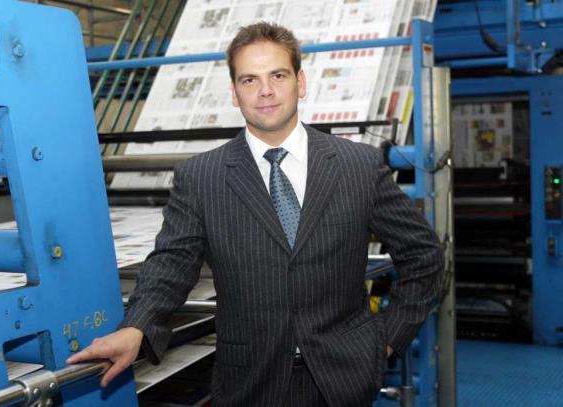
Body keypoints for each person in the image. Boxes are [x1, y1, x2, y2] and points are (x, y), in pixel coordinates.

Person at [68, 22, 444, 407]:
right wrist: (136, 326)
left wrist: (384, 340)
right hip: (249, 380)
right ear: (234, 93)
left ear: (301, 82)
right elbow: (172, 264)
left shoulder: (358, 166)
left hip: (344, 378)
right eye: (249, 80)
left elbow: (423, 256)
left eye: (277, 75)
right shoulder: (202, 177)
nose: (265, 90)